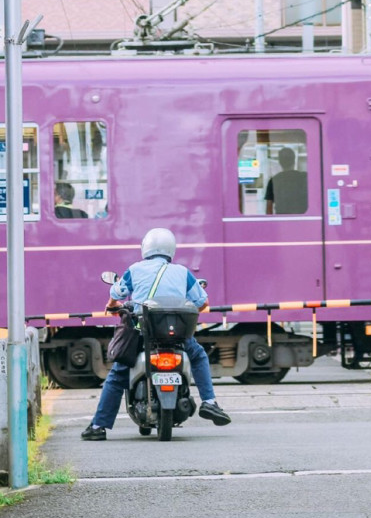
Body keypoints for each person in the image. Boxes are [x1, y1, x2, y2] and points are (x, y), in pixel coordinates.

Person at [81, 227, 231, 440]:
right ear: (171, 250)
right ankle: (209, 402)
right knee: (198, 356)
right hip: (177, 336)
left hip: (143, 334)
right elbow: (203, 302)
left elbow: (116, 292)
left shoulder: (135, 270)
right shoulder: (182, 272)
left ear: (145, 248)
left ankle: (98, 427)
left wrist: (112, 305)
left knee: (117, 375)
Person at [265, 147, 308, 215]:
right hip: (302, 219)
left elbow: (269, 209)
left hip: (281, 220)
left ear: (280, 162)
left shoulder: (273, 181)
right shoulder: (304, 177)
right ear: (294, 160)